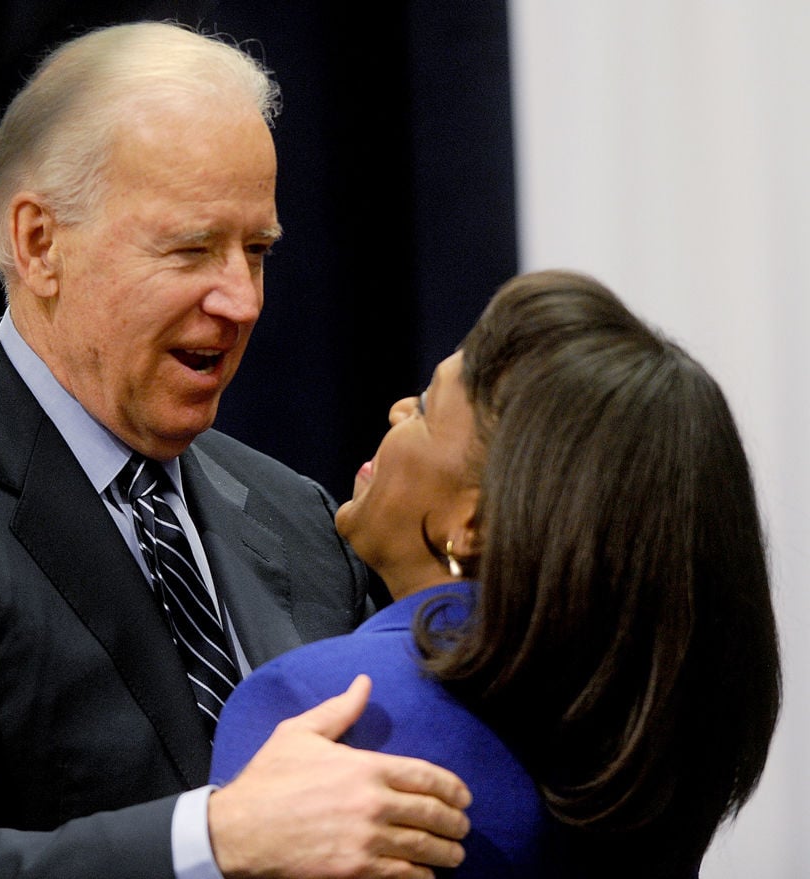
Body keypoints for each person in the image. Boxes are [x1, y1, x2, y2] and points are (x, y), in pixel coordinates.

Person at [0, 21, 472, 879]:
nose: (241, 300)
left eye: (258, 252)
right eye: (192, 248)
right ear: (40, 243)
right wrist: (218, 838)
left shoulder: (295, 514)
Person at [210, 269, 782, 878]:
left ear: (474, 523)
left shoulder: (325, 705)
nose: (398, 407)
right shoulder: (653, 732)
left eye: (426, 409)